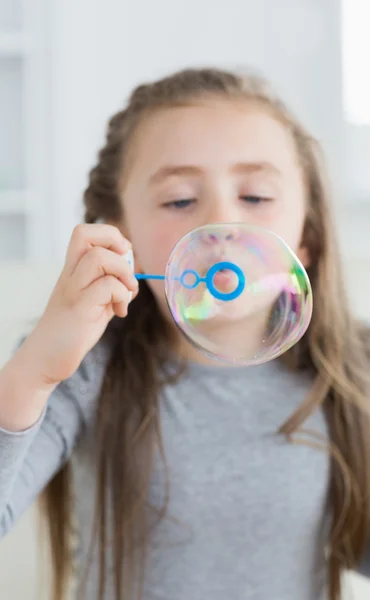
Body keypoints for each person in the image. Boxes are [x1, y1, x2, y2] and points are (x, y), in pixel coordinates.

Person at [0, 66, 369, 600]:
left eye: (256, 197)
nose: (221, 223)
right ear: (121, 237)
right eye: (178, 200)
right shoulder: (82, 369)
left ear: (306, 240)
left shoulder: (350, 367)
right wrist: (34, 372)